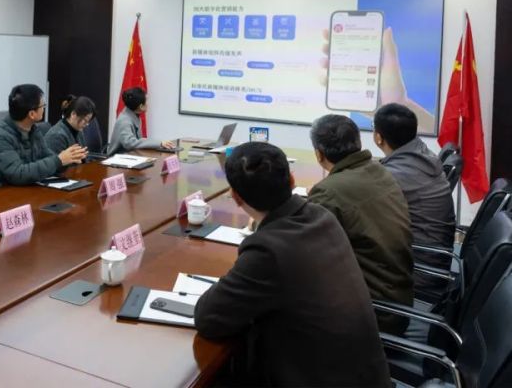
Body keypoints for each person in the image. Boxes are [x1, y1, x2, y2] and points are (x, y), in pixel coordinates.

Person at [194, 142, 390, 387]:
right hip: (365, 376)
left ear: (235, 197)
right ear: (292, 180)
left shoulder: (268, 251)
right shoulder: (322, 216)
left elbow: (208, 318)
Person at [307, 114, 414, 334]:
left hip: (370, 314)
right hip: (398, 300)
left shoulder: (329, 191)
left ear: (319, 154)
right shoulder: (378, 170)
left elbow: (299, 250)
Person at [374, 103, 456, 297]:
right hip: (435, 261)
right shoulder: (423, 155)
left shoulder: (392, 176)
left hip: (418, 274)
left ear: (378, 137)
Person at [0, 84, 88, 191]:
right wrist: (58, 160)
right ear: (32, 114)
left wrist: (66, 159)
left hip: (23, 189)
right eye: (43, 106)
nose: (44, 109)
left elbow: (48, 157)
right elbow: (18, 173)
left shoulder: (33, 130)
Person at [106, 87, 174, 155]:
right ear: (141, 106)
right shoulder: (124, 121)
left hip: (130, 155)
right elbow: (130, 143)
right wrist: (159, 143)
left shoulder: (134, 114)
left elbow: (138, 141)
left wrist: (158, 143)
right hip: (116, 158)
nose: (148, 104)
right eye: (146, 101)